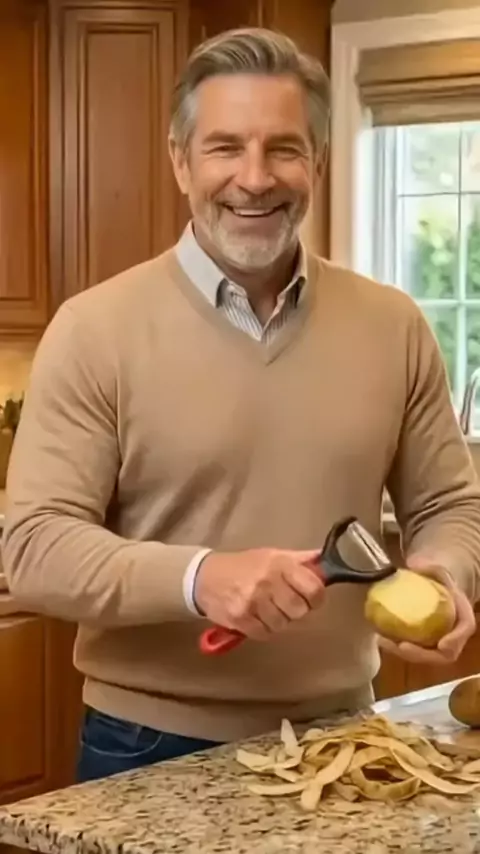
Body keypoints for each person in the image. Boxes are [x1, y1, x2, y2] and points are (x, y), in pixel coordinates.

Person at [1, 27, 479, 785]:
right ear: (180, 161)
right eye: (225, 148)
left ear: (316, 161)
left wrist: (445, 575)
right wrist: (200, 578)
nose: (255, 179)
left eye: (283, 149)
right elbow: (33, 548)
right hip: (147, 746)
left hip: (348, 735)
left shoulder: (394, 325)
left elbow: (450, 504)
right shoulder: (93, 330)